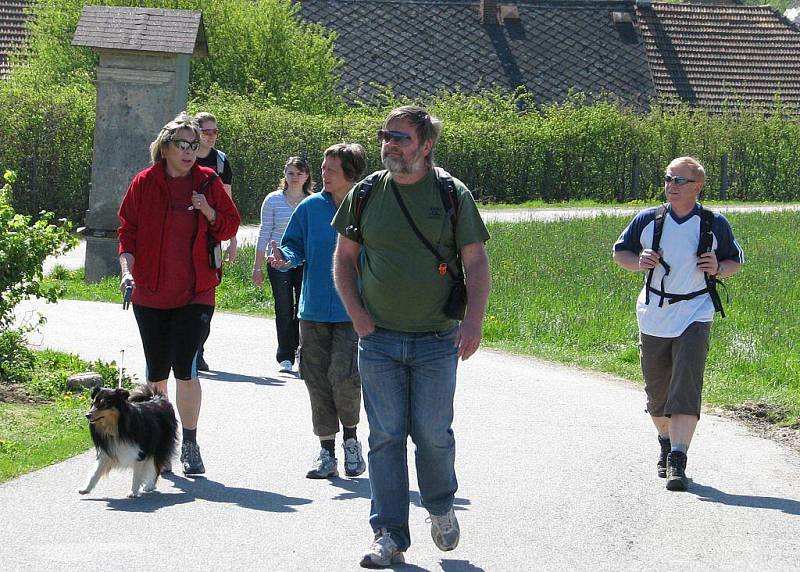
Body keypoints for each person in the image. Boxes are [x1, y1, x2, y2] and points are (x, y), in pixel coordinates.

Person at [332, 106, 491, 568]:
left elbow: (476, 262)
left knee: (432, 435)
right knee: (384, 437)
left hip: (437, 340)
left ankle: (440, 507)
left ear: (426, 146)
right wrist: (357, 313)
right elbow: (344, 259)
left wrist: (474, 321)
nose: (390, 144)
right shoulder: (364, 194)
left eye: (400, 137)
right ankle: (389, 534)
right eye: (386, 136)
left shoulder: (450, 194)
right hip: (377, 339)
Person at [118, 111, 240, 476]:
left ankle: (190, 442)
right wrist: (127, 273)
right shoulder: (144, 183)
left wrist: (208, 212)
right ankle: (161, 441)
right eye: (183, 144)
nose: (190, 150)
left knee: (185, 364)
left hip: (195, 291)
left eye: (194, 144)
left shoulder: (207, 183)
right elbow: (127, 231)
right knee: (156, 371)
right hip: (150, 292)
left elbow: (231, 223)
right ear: (165, 147)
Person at [613, 156, 743, 492]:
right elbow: (620, 254)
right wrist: (637, 261)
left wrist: (718, 266)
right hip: (654, 312)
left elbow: (735, 262)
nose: (671, 185)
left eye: (679, 180)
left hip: (696, 312)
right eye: (669, 178)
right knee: (657, 395)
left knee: (685, 387)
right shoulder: (648, 220)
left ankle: (678, 460)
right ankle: (665, 440)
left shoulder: (714, 224)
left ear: (697, 187)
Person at [268, 143, 368, 480]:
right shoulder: (310, 208)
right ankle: (327, 451)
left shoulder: (367, 207)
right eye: (323, 168)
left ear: (351, 173)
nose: (323, 174)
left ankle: (352, 440)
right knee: (316, 380)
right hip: (311, 311)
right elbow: (293, 246)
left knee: (344, 377)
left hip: (353, 311)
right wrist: (284, 257)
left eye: (331, 169)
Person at [252, 157, 313, 373]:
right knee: (284, 308)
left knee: (303, 309)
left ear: (307, 176)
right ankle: (285, 356)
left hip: (304, 262)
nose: (294, 177)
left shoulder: (313, 201)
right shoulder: (273, 200)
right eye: (290, 173)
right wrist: (257, 267)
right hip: (276, 262)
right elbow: (264, 232)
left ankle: (302, 352)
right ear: (284, 175)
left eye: (299, 173)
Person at [193, 111, 236, 371]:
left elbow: (228, 205)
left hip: (211, 238)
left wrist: (231, 239)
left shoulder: (220, 162)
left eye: (215, 132)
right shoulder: (181, 157)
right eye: (206, 131)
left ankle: (198, 350)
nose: (211, 137)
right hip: (185, 235)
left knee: (208, 292)